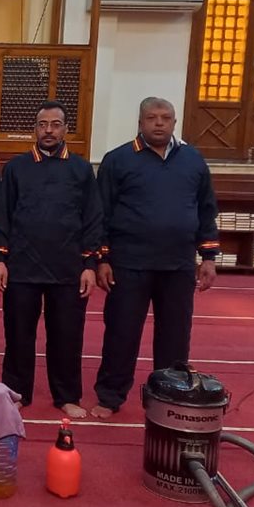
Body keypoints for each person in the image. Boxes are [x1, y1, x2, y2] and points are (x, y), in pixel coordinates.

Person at [91, 96, 219, 418]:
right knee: (121, 333)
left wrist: (208, 257)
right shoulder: (118, 160)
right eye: (152, 117)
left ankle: (169, 396)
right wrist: (102, 259)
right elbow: (100, 213)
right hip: (128, 264)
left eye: (165, 117)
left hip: (178, 265)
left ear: (175, 122)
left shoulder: (193, 160)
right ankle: (110, 396)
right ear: (140, 122)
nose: (159, 123)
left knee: (175, 337)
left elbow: (206, 210)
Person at [0, 101, 103, 418]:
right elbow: (2, 215)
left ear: (65, 129)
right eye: (43, 125)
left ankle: (67, 395)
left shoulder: (81, 170)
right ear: (35, 130)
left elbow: (93, 218)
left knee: (67, 336)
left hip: (68, 268)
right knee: (18, 334)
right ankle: (17, 391)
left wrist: (89, 265)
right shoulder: (16, 168)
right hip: (22, 267)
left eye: (55, 124)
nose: (49, 130)